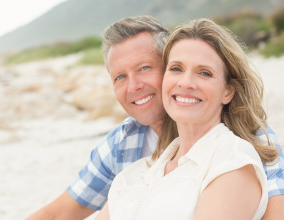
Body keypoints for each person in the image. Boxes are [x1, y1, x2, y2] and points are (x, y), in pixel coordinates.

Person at [26, 16, 284, 220]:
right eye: (120, 77)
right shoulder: (129, 156)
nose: (134, 86)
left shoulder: (244, 147)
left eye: (144, 68)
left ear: (228, 91)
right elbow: (60, 213)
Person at [96, 18, 277, 219]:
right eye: (176, 69)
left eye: (204, 73)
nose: (186, 82)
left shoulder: (232, 162)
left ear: (227, 91)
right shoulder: (135, 174)